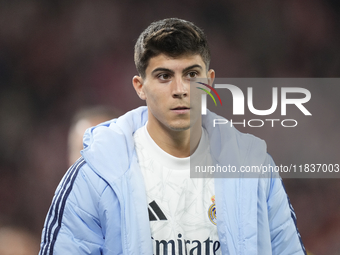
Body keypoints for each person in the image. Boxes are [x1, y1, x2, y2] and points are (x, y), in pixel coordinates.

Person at [39, 18, 306, 254]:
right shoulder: (94, 177)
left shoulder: (255, 169)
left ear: (209, 82)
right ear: (140, 87)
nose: (180, 89)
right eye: (164, 76)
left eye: (191, 74)